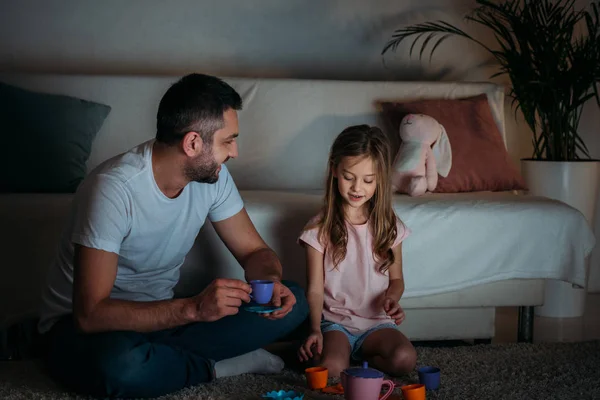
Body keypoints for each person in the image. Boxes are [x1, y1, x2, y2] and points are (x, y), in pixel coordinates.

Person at [37, 73, 308, 399]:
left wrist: (271, 281)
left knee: (295, 301)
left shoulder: (214, 177)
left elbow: (255, 252)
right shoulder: (113, 190)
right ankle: (216, 366)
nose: (234, 151)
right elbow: (90, 314)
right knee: (121, 366)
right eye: (228, 140)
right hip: (88, 329)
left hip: (164, 319)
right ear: (193, 143)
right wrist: (194, 310)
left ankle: (169, 359)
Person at [296, 125, 416, 378]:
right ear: (334, 171)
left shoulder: (390, 227)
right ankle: (342, 358)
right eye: (349, 177)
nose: (357, 188)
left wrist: (392, 299)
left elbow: (396, 280)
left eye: (368, 180)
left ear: (380, 179)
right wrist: (315, 329)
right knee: (329, 372)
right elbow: (315, 290)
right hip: (335, 323)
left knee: (405, 360)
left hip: (376, 323)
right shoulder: (317, 229)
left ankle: (359, 361)